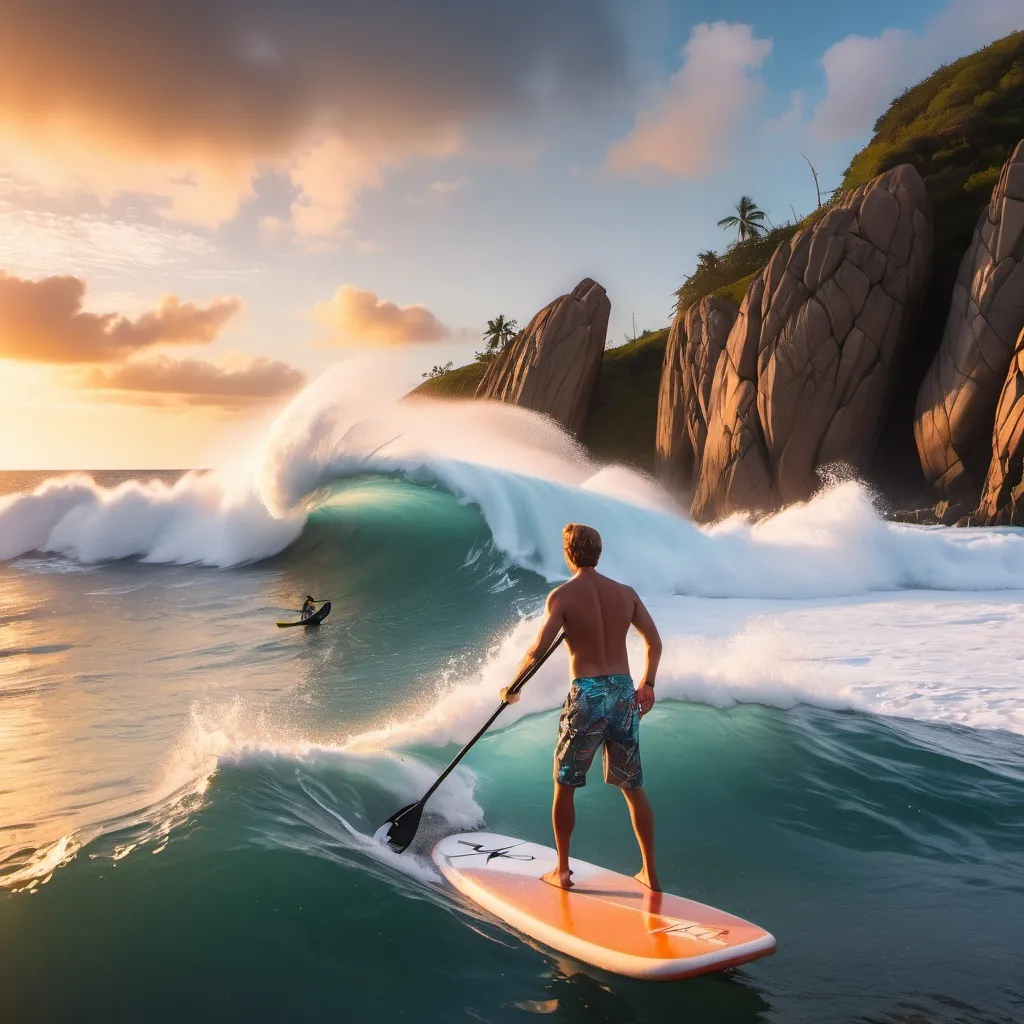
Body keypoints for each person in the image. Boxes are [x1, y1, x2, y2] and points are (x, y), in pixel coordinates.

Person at [501, 523, 663, 891]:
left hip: (587, 696)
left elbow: (537, 650)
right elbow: (654, 643)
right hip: (624, 693)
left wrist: (512, 688)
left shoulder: (562, 597)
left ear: (568, 554)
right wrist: (647, 683)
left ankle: (561, 870)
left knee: (565, 785)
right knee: (633, 786)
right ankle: (650, 873)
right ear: (598, 552)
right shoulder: (626, 594)